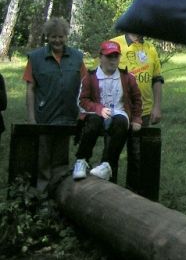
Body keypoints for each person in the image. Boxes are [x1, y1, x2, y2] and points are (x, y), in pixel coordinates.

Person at [23, 17, 88, 189]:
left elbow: (86, 85)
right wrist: (31, 118)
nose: (57, 40)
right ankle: (42, 194)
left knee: (61, 158)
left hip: (68, 115)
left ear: (66, 36)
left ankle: (59, 193)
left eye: (61, 36)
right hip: (44, 115)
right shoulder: (35, 58)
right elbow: (30, 88)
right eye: (53, 37)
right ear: (47, 37)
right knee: (42, 158)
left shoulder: (77, 57)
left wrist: (83, 113)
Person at [73, 41, 143, 182]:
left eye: (116, 56)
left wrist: (136, 119)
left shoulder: (127, 78)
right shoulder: (90, 77)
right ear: (101, 57)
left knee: (121, 122)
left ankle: (107, 164)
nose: (113, 60)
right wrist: (98, 109)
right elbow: (82, 100)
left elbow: (137, 100)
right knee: (93, 122)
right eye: (109, 56)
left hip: (118, 112)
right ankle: (81, 160)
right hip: (96, 114)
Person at [111, 32, 164, 194]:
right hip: (117, 110)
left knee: (137, 156)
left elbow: (157, 79)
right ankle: (108, 192)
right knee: (112, 152)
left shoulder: (150, 49)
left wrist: (157, 107)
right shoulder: (115, 44)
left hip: (143, 111)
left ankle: (134, 195)